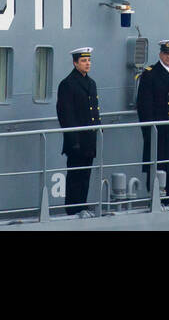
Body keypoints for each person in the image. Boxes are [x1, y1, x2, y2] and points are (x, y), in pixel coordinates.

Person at [134, 40, 169, 202]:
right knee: (156, 170)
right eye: (166, 53)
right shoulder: (150, 74)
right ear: (160, 54)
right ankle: (156, 202)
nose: (168, 56)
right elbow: (144, 107)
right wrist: (149, 132)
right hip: (157, 133)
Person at [55, 46, 100, 215]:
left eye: (88, 60)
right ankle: (73, 208)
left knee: (85, 175)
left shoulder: (91, 83)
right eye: (83, 61)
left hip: (89, 138)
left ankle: (82, 204)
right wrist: (73, 140)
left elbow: (94, 111)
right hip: (77, 140)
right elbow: (66, 115)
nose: (87, 64)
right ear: (75, 63)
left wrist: (97, 132)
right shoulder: (68, 84)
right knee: (75, 175)